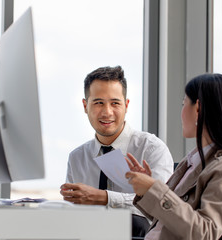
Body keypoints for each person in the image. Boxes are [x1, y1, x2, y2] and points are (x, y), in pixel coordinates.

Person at [125, 73, 222, 239]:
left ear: (198, 108)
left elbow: (206, 232)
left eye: (183, 103)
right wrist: (148, 191)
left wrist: (155, 190)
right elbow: (171, 222)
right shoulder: (194, 161)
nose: (180, 112)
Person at [60, 66, 174, 237]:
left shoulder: (151, 149)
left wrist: (104, 198)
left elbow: (165, 207)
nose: (107, 112)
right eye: (98, 103)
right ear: (85, 106)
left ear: (126, 105)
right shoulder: (77, 158)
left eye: (115, 103)